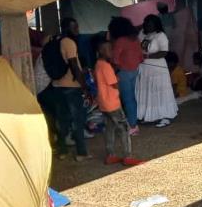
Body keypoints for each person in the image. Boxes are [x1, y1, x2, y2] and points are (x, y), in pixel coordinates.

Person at [95, 39, 143, 167]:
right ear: (101, 51)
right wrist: (117, 77)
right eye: (108, 49)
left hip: (104, 103)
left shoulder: (98, 64)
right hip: (113, 103)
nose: (111, 52)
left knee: (110, 128)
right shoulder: (106, 66)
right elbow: (115, 84)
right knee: (124, 128)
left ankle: (111, 155)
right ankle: (128, 156)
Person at [53, 17, 89, 161]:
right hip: (71, 86)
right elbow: (74, 65)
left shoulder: (53, 40)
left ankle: (62, 151)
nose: (77, 30)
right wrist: (84, 86)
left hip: (57, 85)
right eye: (75, 27)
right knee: (77, 121)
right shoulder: (69, 42)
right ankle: (81, 152)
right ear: (68, 28)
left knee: (62, 120)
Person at [136, 14, 178, 128]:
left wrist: (147, 57)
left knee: (159, 92)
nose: (148, 27)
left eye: (151, 25)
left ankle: (165, 116)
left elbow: (164, 52)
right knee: (148, 93)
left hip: (158, 70)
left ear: (156, 25)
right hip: (145, 70)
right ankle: (149, 116)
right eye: (147, 24)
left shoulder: (161, 35)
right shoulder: (142, 34)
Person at [109, 16, 143, 135]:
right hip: (135, 71)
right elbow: (140, 57)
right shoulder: (135, 39)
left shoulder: (119, 41)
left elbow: (115, 60)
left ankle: (132, 126)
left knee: (127, 100)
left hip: (123, 73)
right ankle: (133, 124)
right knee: (132, 99)